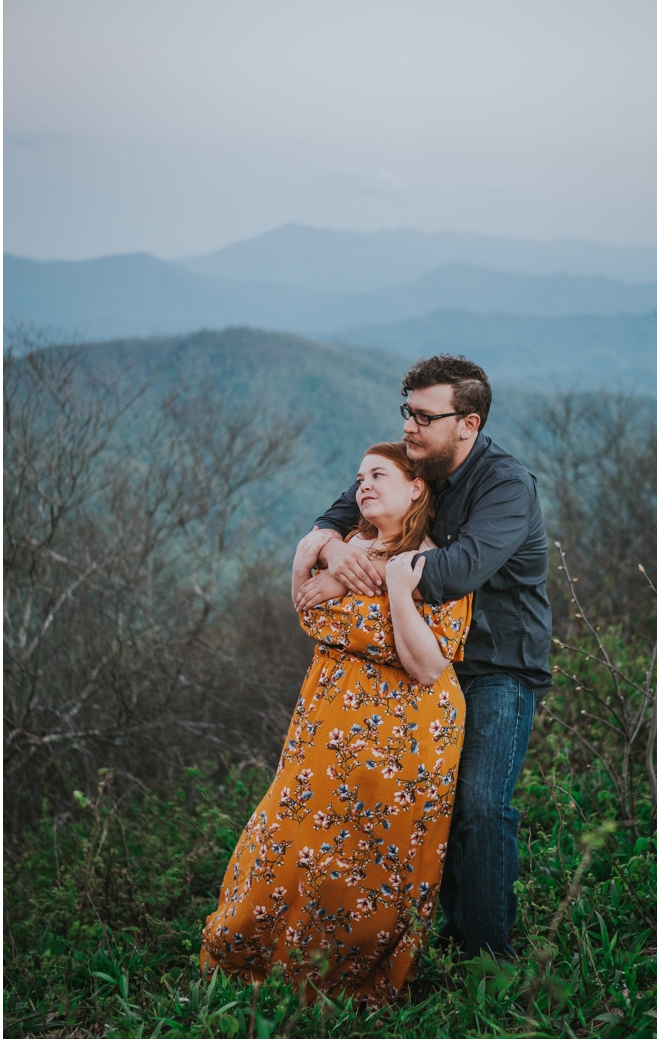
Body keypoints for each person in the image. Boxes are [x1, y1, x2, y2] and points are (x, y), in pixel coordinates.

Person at [292, 354, 552, 962]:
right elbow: (331, 523)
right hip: (411, 658)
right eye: (406, 411)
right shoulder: (413, 463)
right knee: (407, 801)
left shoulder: (506, 487)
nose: (409, 427)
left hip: (494, 666)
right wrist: (331, 555)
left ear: (469, 423)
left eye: (425, 416)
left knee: (481, 805)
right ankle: (406, 939)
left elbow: (455, 571)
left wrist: (358, 571)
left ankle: (487, 959)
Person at [202, 442, 471, 1004]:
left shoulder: (442, 561)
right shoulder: (346, 547)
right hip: (326, 720)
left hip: (407, 730)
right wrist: (346, 571)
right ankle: (260, 961)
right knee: (290, 836)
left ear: (416, 487)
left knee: (375, 855)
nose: (361, 486)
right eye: (358, 477)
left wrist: (396, 591)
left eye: (377, 475)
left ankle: (348, 982)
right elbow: (306, 607)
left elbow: (425, 665)